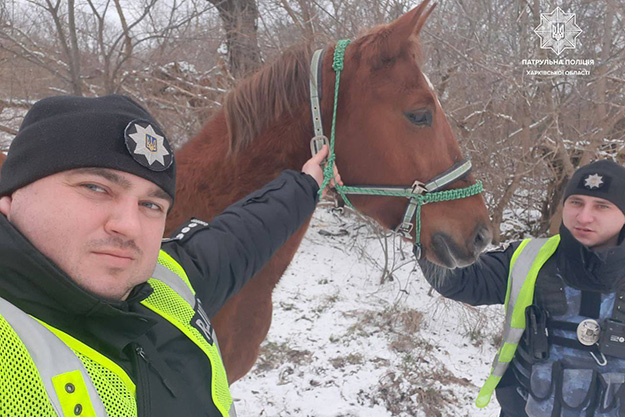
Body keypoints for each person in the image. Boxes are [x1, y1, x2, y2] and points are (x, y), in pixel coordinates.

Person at [0, 94, 341, 417]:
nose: (129, 226)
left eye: (150, 204)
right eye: (96, 188)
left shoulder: (169, 280)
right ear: (11, 195)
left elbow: (243, 235)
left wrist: (306, 184)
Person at [420, 160, 625, 417]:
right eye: (576, 203)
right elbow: (460, 281)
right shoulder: (528, 258)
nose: (583, 216)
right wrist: (424, 226)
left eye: (601, 206)